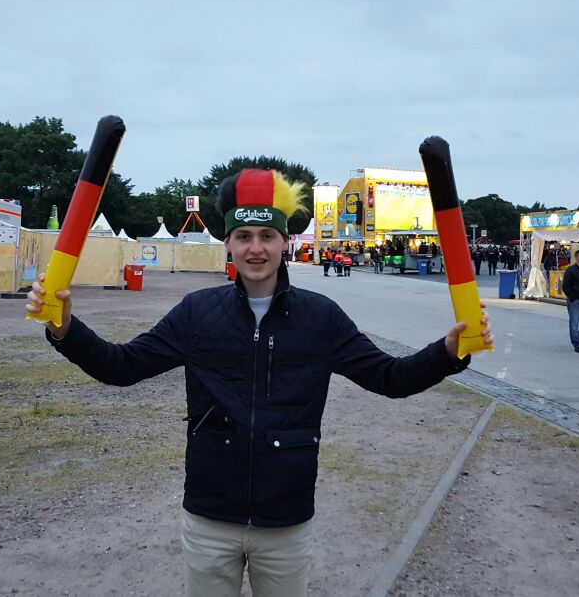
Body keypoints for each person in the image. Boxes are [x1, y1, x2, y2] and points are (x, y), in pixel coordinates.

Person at [27, 169, 488, 595]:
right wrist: (66, 329)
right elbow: (121, 367)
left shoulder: (320, 318)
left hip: (285, 523)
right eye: (243, 236)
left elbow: (390, 378)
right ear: (228, 244)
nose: (255, 248)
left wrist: (448, 352)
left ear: (284, 243)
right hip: (210, 517)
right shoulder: (197, 313)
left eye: (267, 236)